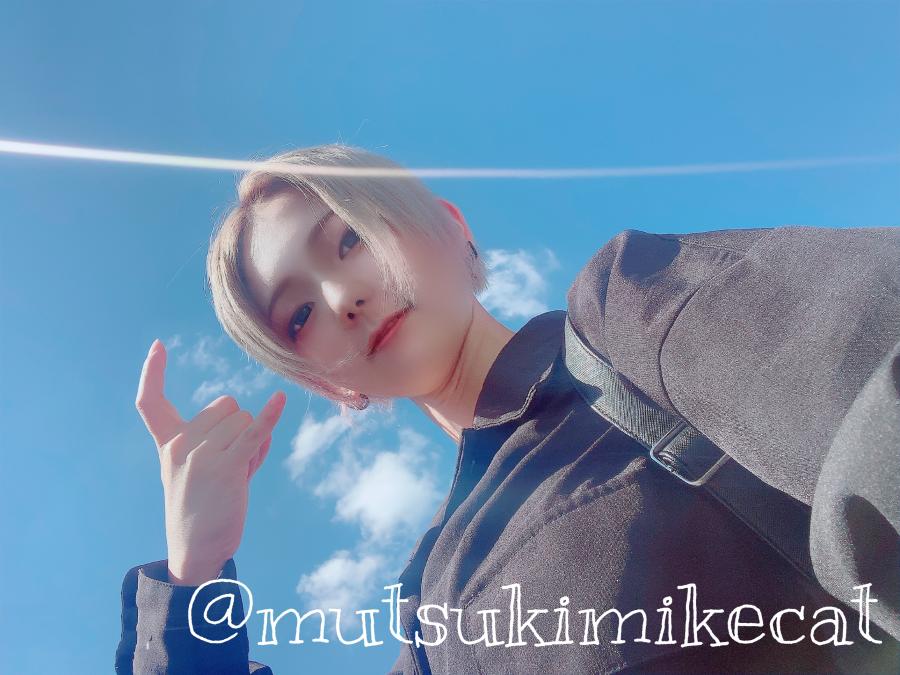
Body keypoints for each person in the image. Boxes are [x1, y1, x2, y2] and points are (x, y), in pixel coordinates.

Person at [115, 144, 900, 674]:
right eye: (297, 316)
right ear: (329, 383)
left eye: (348, 237)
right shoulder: (427, 612)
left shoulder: (627, 313)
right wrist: (194, 578)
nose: (339, 294)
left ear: (451, 229)